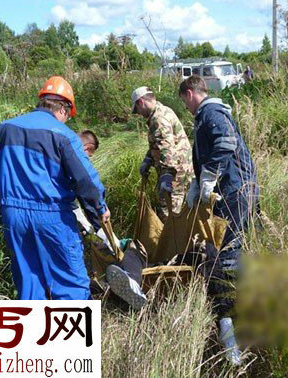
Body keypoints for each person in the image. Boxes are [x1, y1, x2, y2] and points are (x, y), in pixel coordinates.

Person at [0, 76, 110, 300]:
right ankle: (73, 334)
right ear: (63, 109)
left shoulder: (5, 128)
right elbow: (87, 182)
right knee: (70, 284)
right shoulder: (64, 136)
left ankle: (36, 333)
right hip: (53, 217)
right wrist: (99, 211)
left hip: (13, 216)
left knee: (30, 284)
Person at [178, 75, 259, 366]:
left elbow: (225, 143)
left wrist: (209, 177)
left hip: (235, 192)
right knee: (230, 251)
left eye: (183, 101)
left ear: (190, 94)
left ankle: (231, 318)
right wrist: (197, 183)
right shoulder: (206, 116)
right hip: (232, 191)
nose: (185, 107)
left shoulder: (212, 112)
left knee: (227, 253)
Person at [75, 129, 147, 310]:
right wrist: (101, 210)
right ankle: (132, 281)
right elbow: (91, 189)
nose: (89, 159)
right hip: (93, 227)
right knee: (131, 247)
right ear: (88, 148)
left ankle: (124, 282)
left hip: (73, 221)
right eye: (90, 155)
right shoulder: (77, 159)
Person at [131, 86, 192, 221]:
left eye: (137, 110)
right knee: (182, 212)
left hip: (176, 174)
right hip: (183, 169)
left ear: (141, 102)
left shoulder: (158, 119)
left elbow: (167, 148)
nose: (139, 114)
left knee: (169, 215)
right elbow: (159, 144)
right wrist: (148, 159)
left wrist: (167, 175)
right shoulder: (163, 111)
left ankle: (173, 241)